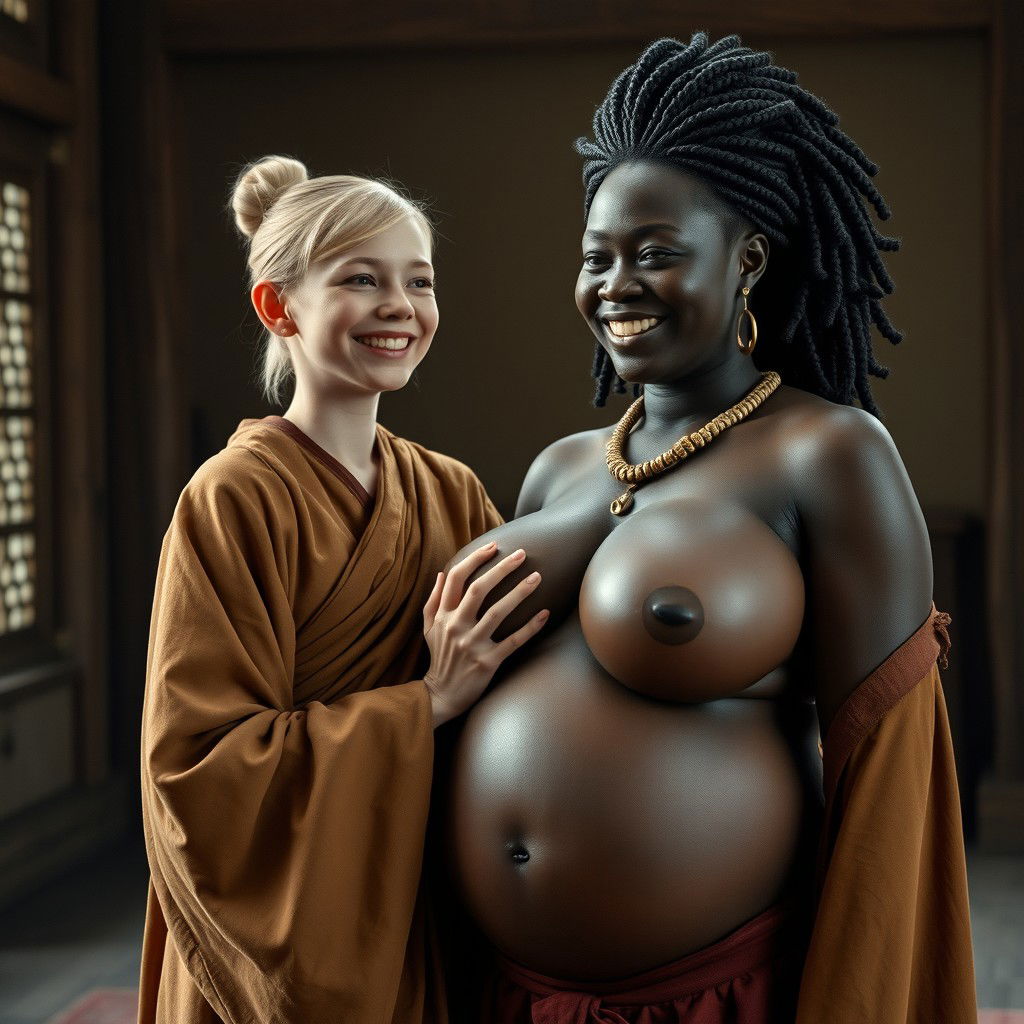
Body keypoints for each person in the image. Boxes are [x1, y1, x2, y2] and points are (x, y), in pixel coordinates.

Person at [440, 34, 977, 1023]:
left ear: (747, 263)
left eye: (654, 253)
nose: (614, 285)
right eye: (595, 257)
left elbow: (888, 774)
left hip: (710, 997)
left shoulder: (827, 454)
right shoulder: (558, 466)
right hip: (510, 992)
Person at [136, 155, 549, 1024]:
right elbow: (197, 771)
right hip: (288, 922)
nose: (400, 305)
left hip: (418, 892)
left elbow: (534, 658)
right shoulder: (232, 498)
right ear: (278, 306)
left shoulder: (451, 490)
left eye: (419, 281)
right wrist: (424, 704)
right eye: (362, 279)